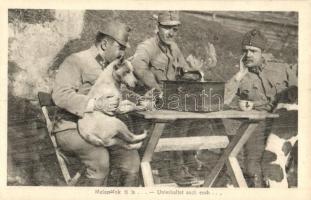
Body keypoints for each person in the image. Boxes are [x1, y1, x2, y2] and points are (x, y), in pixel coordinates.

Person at [130, 11, 219, 185]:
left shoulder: (173, 48)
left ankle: (181, 165)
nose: (171, 33)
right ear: (157, 27)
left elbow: (185, 71)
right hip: (148, 106)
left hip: (169, 103)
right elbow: (138, 68)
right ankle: (174, 168)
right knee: (179, 121)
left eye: (175, 29)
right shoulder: (147, 47)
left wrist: (196, 75)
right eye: (167, 28)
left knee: (196, 121)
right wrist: (158, 89)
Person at [52, 21, 140, 186]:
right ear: (105, 44)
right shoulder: (76, 61)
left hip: (102, 129)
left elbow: (114, 96)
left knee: (132, 160)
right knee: (100, 159)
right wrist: (96, 104)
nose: (122, 54)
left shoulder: (114, 67)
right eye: (120, 48)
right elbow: (61, 95)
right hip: (71, 128)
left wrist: (128, 104)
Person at [224, 29, 297, 187]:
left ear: (263, 52)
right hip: (257, 126)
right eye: (245, 51)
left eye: (253, 51)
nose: (248, 55)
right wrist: (240, 74)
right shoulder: (241, 76)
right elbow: (222, 98)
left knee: (280, 169)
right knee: (252, 169)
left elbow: (299, 92)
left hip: (283, 125)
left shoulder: (281, 69)